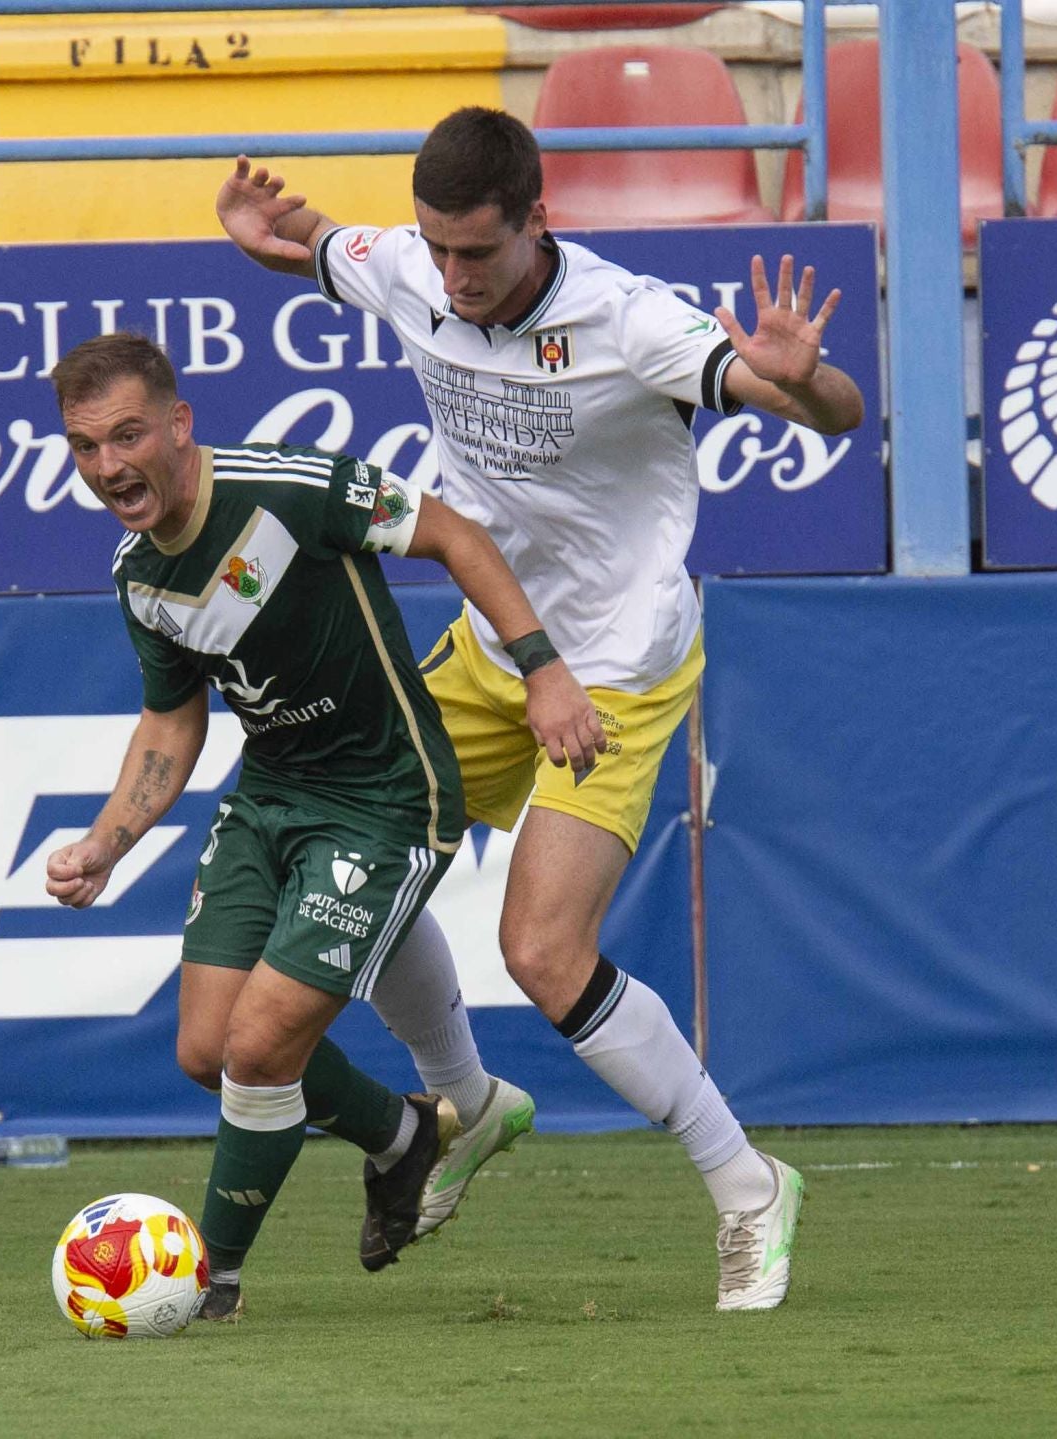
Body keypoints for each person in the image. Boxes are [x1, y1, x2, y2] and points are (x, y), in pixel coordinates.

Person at [215, 106, 867, 1311]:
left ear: (539, 221)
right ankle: (459, 1099)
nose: (455, 280)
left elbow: (833, 416)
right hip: (491, 648)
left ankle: (747, 1184)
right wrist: (267, 231)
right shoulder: (411, 270)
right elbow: (315, 246)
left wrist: (805, 378)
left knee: (542, 951)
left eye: (480, 254)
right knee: (374, 846)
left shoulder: (634, 323)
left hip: (615, 661)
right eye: (439, 251)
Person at [43, 332, 602, 1321]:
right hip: (270, 797)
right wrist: (104, 841)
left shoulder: (290, 492)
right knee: (207, 1048)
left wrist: (543, 668)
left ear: (179, 423)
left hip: (387, 795)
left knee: (261, 1048)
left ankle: (205, 1280)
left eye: (127, 435)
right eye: (85, 446)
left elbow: (457, 535)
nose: (108, 466)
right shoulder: (140, 576)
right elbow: (172, 721)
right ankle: (402, 1135)